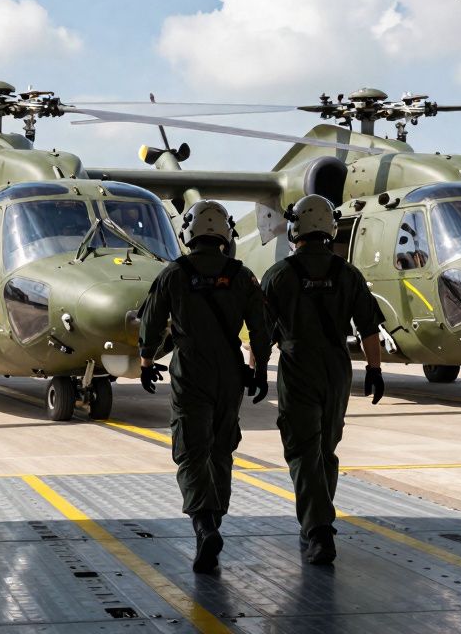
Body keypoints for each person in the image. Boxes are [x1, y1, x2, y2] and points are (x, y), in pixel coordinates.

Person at [138, 200, 271, 574]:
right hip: (230, 373)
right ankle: (216, 520)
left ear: (189, 232)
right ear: (225, 233)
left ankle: (203, 525)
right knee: (221, 448)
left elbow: (151, 322)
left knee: (191, 450)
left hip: (190, 370)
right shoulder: (241, 276)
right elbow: (261, 328)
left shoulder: (174, 273)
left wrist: (147, 362)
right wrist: (258, 369)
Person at [261, 194, 386, 566]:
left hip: (298, 365)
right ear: (330, 227)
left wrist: (254, 370)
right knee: (325, 449)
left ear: (295, 227)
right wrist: (375, 370)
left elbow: (262, 332)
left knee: (303, 451)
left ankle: (318, 530)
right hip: (338, 366)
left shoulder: (279, 274)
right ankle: (317, 520)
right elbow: (369, 328)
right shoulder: (348, 273)